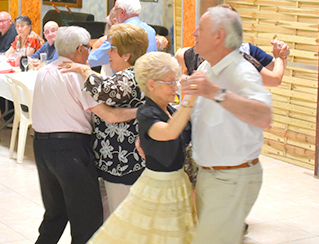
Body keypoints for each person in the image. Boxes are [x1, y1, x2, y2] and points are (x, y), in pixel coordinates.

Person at [182, 6, 271, 244]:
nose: (194, 33)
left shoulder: (242, 72)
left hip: (232, 178)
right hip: (209, 175)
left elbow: (264, 117)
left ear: (219, 36)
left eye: (200, 28)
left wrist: (216, 93)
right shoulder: (205, 67)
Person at [88, 52, 197, 243]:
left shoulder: (170, 110)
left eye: (176, 81)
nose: (176, 87)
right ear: (152, 84)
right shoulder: (147, 113)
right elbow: (170, 132)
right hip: (159, 186)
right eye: (170, 82)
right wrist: (190, 100)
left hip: (177, 183)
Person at [30, 26, 113, 244]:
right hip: (71, 150)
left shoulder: (44, 71)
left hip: (41, 147)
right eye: (89, 48)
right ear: (79, 49)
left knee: (55, 214)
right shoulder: (76, 75)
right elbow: (107, 115)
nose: (90, 53)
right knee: (87, 218)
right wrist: (140, 111)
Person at [63, 23, 149, 213]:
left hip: (124, 162)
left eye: (112, 49)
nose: (108, 53)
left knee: (121, 220)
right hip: (115, 160)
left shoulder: (131, 76)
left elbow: (106, 90)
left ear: (126, 55)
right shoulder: (129, 74)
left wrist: (82, 70)